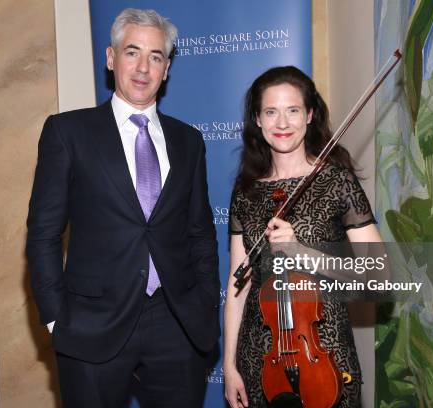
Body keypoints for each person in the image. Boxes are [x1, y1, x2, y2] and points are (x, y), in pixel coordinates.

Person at [26, 8, 220, 408]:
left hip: (176, 324)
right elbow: (43, 233)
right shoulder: (68, 133)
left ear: (167, 69)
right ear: (111, 58)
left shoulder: (189, 141)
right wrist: (54, 317)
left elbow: (200, 232)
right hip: (91, 325)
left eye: (155, 56)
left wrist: (203, 303)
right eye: (132, 52)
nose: (143, 67)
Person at [223, 66, 382, 408]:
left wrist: (302, 253)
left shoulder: (337, 182)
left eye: (293, 110)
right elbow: (238, 288)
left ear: (310, 115)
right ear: (258, 120)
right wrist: (229, 364)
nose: (282, 123)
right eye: (271, 112)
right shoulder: (245, 191)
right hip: (260, 358)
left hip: (324, 358)